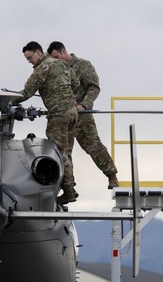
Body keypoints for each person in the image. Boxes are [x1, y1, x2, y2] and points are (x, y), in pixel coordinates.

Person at [10, 41, 79, 204]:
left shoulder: (42, 69)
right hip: (72, 113)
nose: (30, 62)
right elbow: (75, 83)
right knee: (67, 152)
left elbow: (26, 93)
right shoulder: (62, 64)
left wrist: (6, 101)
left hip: (59, 115)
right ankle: (71, 187)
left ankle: (69, 192)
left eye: (30, 57)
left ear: (38, 53)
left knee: (59, 153)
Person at [47, 41, 120, 189]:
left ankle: (112, 176)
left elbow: (94, 88)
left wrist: (84, 105)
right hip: (64, 116)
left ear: (63, 51)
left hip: (82, 115)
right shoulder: (57, 69)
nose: (56, 61)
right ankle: (69, 188)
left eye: (57, 57)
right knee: (63, 152)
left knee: (93, 146)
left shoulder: (83, 65)